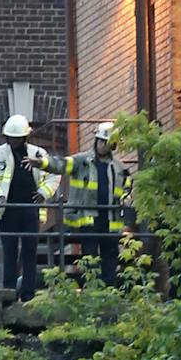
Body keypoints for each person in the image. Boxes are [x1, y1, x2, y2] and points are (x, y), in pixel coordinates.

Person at [29, 120, 130, 286]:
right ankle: (93, 291)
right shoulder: (82, 161)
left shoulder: (118, 167)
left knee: (111, 257)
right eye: (101, 141)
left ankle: (110, 292)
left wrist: (126, 198)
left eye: (107, 142)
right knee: (90, 257)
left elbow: (127, 186)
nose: (103, 145)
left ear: (113, 145)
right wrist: (42, 163)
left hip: (111, 220)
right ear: (96, 141)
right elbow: (60, 164)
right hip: (88, 218)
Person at [0, 115, 59, 302]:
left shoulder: (38, 153)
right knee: (9, 252)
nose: (14, 141)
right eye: (11, 137)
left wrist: (43, 193)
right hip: (7, 210)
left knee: (29, 253)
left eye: (17, 137)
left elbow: (54, 175)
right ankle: (8, 294)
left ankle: (27, 295)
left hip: (30, 209)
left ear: (25, 137)